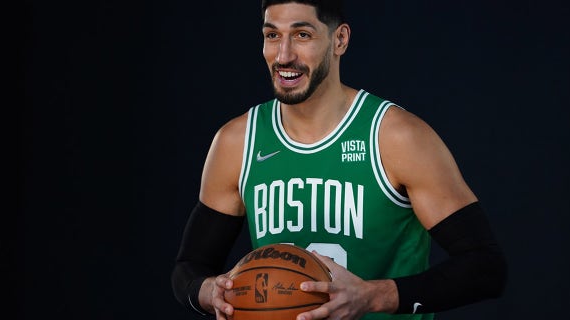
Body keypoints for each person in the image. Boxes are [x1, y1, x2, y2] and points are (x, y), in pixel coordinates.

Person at [171, 1, 507, 319]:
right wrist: (210, 291)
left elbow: (486, 267)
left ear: (340, 39)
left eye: (302, 35)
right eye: (272, 35)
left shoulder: (395, 137)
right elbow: (189, 268)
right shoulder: (237, 142)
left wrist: (373, 296)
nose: (284, 55)